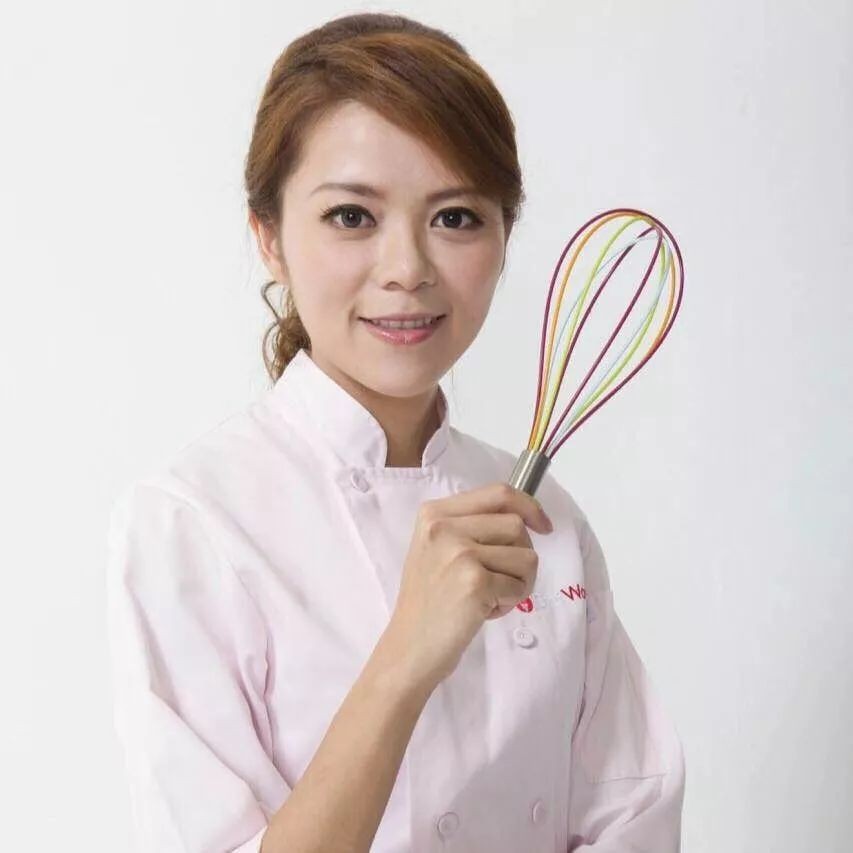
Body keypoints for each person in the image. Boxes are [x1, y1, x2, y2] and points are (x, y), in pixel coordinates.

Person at [106, 12, 686, 852]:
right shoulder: (191, 524)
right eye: (351, 216)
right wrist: (406, 654)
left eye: (455, 217)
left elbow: (633, 817)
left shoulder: (547, 517)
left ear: (503, 236)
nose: (407, 268)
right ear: (269, 238)